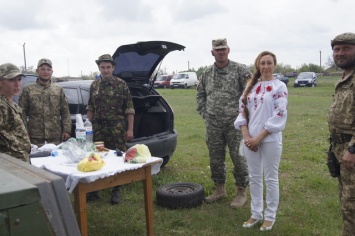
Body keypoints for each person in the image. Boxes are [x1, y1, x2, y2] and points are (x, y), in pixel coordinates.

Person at [234, 51, 288, 231]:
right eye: (262, 63)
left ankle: (270, 216)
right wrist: (247, 135)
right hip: (250, 139)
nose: (265, 66)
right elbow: (242, 110)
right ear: (258, 65)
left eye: (269, 63)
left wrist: (258, 138)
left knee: (271, 177)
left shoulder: (279, 86)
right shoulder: (250, 86)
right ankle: (256, 213)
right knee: (254, 177)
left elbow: (279, 114)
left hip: (269, 138)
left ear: (274, 65)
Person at [196, 38, 251, 208]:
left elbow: (251, 94)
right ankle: (219, 189)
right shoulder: (206, 73)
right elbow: (200, 95)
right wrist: (205, 114)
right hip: (213, 124)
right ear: (212, 52)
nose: (220, 52)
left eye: (223, 49)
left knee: (239, 157)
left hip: (235, 124)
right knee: (215, 158)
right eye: (217, 50)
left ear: (228, 50)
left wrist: (243, 116)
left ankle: (241, 192)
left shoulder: (240, 70)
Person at [86, 54, 135, 204]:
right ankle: (94, 190)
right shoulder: (94, 85)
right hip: (99, 129)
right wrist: (88, 126)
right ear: (99, 68)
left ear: (113, 68)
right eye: (103, 67)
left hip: (116, 128)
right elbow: (91, 107)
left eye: (108, 67)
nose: (105, 70)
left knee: (118, 159)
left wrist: (130, 129)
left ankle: (116, 190)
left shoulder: (121, 84)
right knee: (97, 157)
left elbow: (129, 108)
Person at [328, 32, 355, 236]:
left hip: (351, 152)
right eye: (336, 49)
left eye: (346, 48)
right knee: (347, 202)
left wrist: (353, 149)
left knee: (352, 206)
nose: (340, 53)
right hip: (340, 150)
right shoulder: (345, 76)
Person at [18, 58, 71, 146]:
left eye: (48, 69)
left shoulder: (58, 89)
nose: (46, 72)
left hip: (55, 136)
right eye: (42, 69)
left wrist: (67, 130)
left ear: (52, 72)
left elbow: (65, 112)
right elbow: (21, 112)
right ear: (37, 71)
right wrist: (24, 131)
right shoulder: (28, 89)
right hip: (35, 137)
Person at [0, 63, 31, 162]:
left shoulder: (12, 104)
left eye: (19, 79)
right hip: (9, 166)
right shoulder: (1, 106)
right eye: (11, 80)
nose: (17, 84)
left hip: (20, 162)